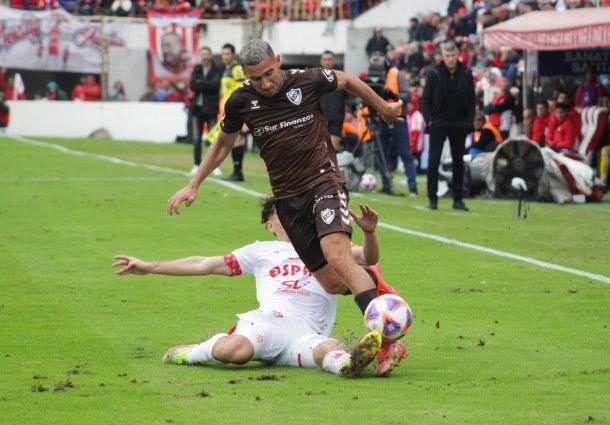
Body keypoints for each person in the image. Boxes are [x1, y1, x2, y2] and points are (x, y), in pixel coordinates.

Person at [167, 39, 404, 328]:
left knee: (338, 257)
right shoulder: (240, 101)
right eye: (255, 78)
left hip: (323, 182)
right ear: (245, 74)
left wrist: (383, 107)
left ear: (277, 60)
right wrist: (194, 184)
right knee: (330, 282)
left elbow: (348, 80)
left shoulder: (306, 79)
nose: (265, 83)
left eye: (268, 73)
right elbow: (223, 144)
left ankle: (385, 336)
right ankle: (373, 283)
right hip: (288, 199)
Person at [115, 200, 406, 377]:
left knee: (329, 349)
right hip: (268, 324)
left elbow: (368, 258)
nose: (293, 217)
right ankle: (191, 352)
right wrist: (151, 266)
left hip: (307, 334)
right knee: (235, 351)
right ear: (270, 225)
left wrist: (369, 232)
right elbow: (204, 264)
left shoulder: (326, 248)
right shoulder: (261, 251)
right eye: (285, 213)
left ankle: (349, 365)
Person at [421, 41, 475, 211]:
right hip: (439, 121)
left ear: (457, 54)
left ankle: (458, 199)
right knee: (433, 160)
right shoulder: (434, 73)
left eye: (453, 56)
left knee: (458, 161)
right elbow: (425, 100)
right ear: (442, 56)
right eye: (447, 56)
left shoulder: (466, 72)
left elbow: (472, 99)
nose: (450, 59)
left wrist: (469, 121)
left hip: (459, 121)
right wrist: (429, 119)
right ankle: (433, 198)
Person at [189, 46, 223, 175]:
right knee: (197, 139)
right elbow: (192, 85)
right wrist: (205, 84)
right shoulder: (197, 69)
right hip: (197, 109)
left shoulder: (217, 69)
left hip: (210, 109)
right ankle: (196, 164)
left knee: (213, 140)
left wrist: (201, 82)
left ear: (211, 55)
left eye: (206, 54)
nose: (204, 57)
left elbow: (215, 85)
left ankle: (215, 166)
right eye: (202, 54)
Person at [220, 43, 247, 181]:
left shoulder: (236, 69)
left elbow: (241, 89)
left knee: (236, 139)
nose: (225, 56)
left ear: (233, 55)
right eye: (223, 54)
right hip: (228, 110)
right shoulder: (227, 69)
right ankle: (237, 171)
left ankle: (238, 172)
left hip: (236, 110)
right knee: (233, 140)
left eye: (228, 53)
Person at [319, 51, 347, 151]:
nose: (327, 62)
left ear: (334, 61)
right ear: (321, 61)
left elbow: (349, 96)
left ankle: (334, 166)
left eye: (329, 59)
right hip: (320, 117)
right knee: (320, 148)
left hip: (336, 117)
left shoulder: (341, 76)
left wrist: (350, 112)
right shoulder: (316, 77)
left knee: (333, 148)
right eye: (325, 59)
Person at [406, 98, 426, 173]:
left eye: (410, 104)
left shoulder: (417, 116)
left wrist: (412, 145)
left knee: (417, 167)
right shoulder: (409, 115)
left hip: (417, 144)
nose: (408, 106)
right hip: (410, 143)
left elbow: (416, 133)